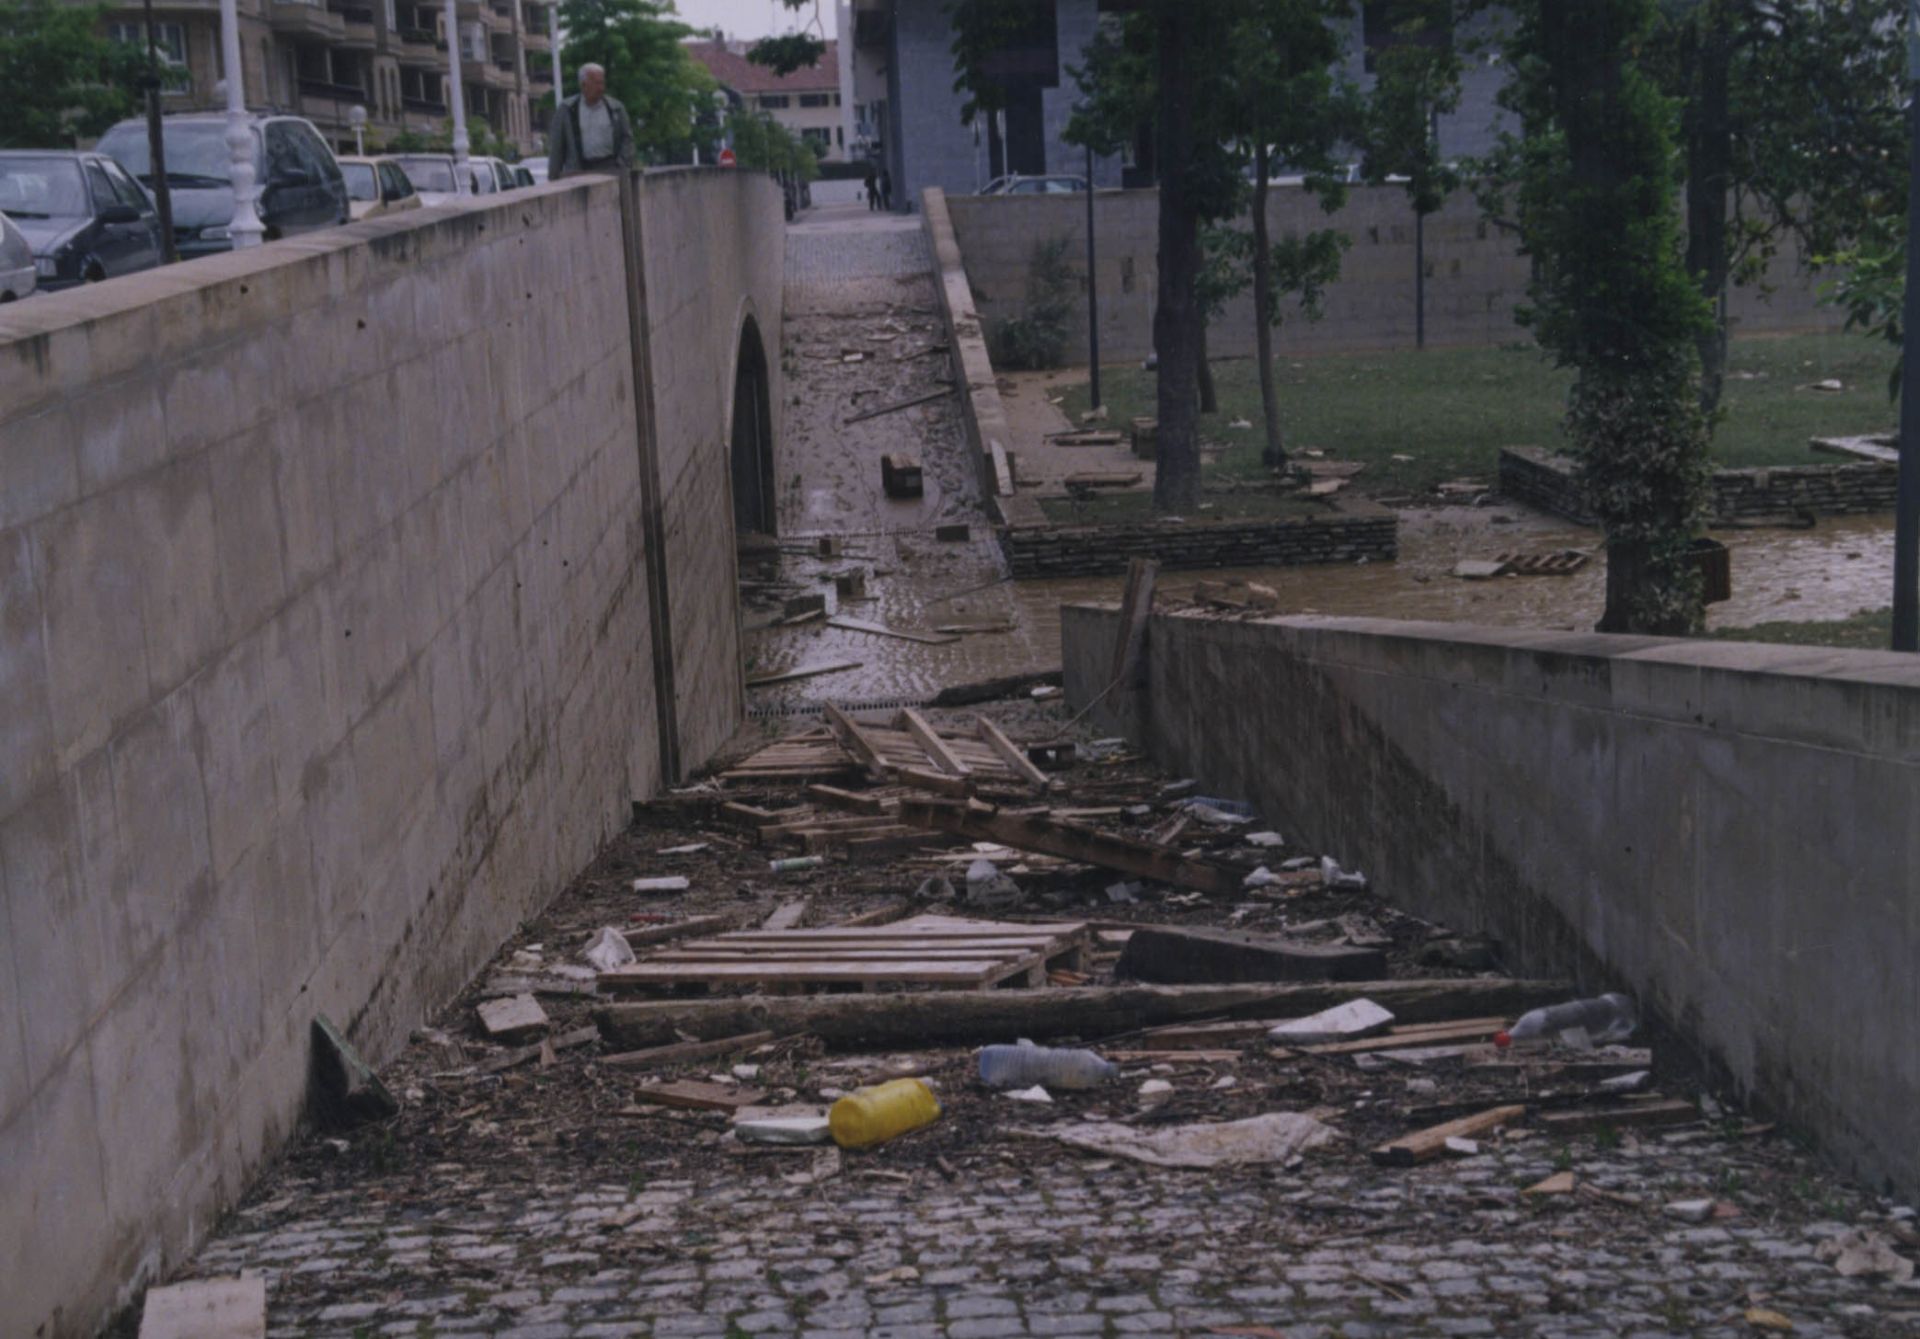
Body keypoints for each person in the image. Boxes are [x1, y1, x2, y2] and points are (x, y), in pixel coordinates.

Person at [548, 63, 636, 180]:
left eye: (602, 82)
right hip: (578, 173)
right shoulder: (567, 110)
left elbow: (627, 139)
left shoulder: (616, 108)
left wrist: (622, 164)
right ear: (583, 85)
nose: (601, 88)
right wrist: (553, 179)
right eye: (597, 83)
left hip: (610, 171)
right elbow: (557, 148)